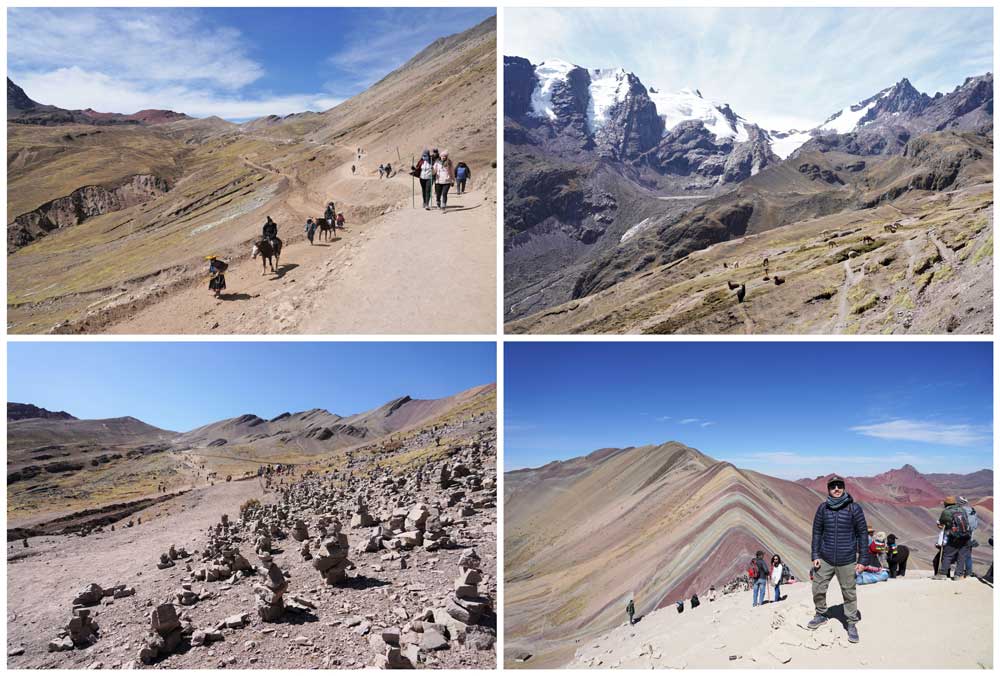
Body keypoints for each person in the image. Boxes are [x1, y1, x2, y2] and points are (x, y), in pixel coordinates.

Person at [807, 474, 867, 644]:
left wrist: (863, 560)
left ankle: (851, 623)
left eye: (839, 486)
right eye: (833, 487)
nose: (836, 489)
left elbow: (862, 534)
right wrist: (815, 555)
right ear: (828, 489)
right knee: (818, 588)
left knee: (849, 592)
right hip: (825, 557)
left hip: (847, 559)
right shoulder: (822, 509)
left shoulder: (854, 509)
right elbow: (817, 533)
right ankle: (821, 614)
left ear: (844, 487)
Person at [935, 495, 973, 580]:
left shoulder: (947, 512)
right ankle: (958, 575)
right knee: (961, 556)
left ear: (946, 504)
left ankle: (943, 574)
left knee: (947, 555)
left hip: (954, 537)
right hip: (966, 536)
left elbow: (942, 523)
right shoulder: (962, 510)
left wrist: (939, 525)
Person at [959, 496, 978, 577]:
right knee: (968, 554)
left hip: (961, 535)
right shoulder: (972, 511)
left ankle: (958, 572)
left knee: (958, 553)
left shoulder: (960, 511)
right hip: (970, 535)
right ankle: (969, 572)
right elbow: (975, 525)